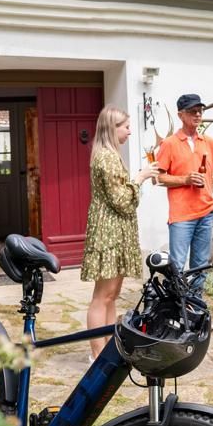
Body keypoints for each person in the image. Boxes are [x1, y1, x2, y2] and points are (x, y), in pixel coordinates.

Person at [82, 106, 159, 360]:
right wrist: (140, 177)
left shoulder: (110, 154)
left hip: (117, 231)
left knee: (111, 295)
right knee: (102, 296)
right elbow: (121, 200)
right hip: (108, 232)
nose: (129, 131)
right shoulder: (106, 157)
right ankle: (96, 354)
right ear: (112, 128)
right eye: (125, 126)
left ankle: (107, 347)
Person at [154, 93, 213, 293]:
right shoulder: (169, 144)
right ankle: (176, 309)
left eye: (200, 111)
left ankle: (195, 308)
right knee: (177, 266)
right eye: (192, 111)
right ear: (181, 115)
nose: (198, 115)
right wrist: (185, 180)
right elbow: (158, 178)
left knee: (200, 266)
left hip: (206, 213)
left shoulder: (209, 142)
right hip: (181, 216)